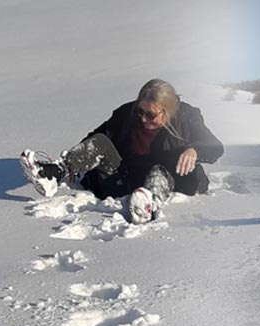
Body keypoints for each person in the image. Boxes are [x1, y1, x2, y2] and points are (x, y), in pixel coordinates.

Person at [20, 79, 224, 223]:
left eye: (151, 115)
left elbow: (215, 147)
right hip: (124, 177)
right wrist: (80, 160)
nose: (143, 119)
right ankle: (55, 173)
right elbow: (96, 138)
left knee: (159, 171)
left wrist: (194, 150)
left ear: (168, 110)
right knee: (100, 141)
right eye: (140, 112)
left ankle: (147, 204)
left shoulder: (188, 116)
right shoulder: (127, 113)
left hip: (168, 177)